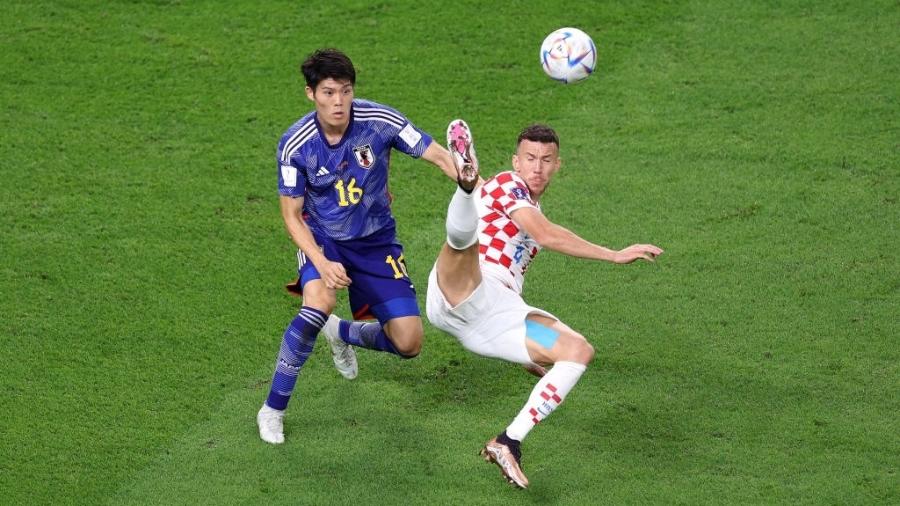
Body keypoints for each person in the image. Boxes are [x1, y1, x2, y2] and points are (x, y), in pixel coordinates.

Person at [427, 120, 664, 488]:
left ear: (558, 165)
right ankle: (465, 184)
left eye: (546, 160)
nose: (537, 168)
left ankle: (508, 442)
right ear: (516, 162)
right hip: (465, 287)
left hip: (497, 314)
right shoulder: (509, 183)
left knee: (577, 351)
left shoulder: (517, 198)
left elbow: (535, 228)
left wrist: (532, 354)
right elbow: (545, 234)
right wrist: (614, 255)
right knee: (463, 242)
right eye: (530, 158)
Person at [257, 48, 458, 444]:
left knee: (409, 343)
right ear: (310, 94)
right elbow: (291, 216)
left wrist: (466, 177)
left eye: (345, 91)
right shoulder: (295, 145)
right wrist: (319, 260)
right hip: (324, 239)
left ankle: (342, 334)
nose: (339, 102)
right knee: (317, 303)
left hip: (377, 240)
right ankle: (273, 409)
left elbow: (433, 151)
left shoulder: (378, 120)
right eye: (329, 92)